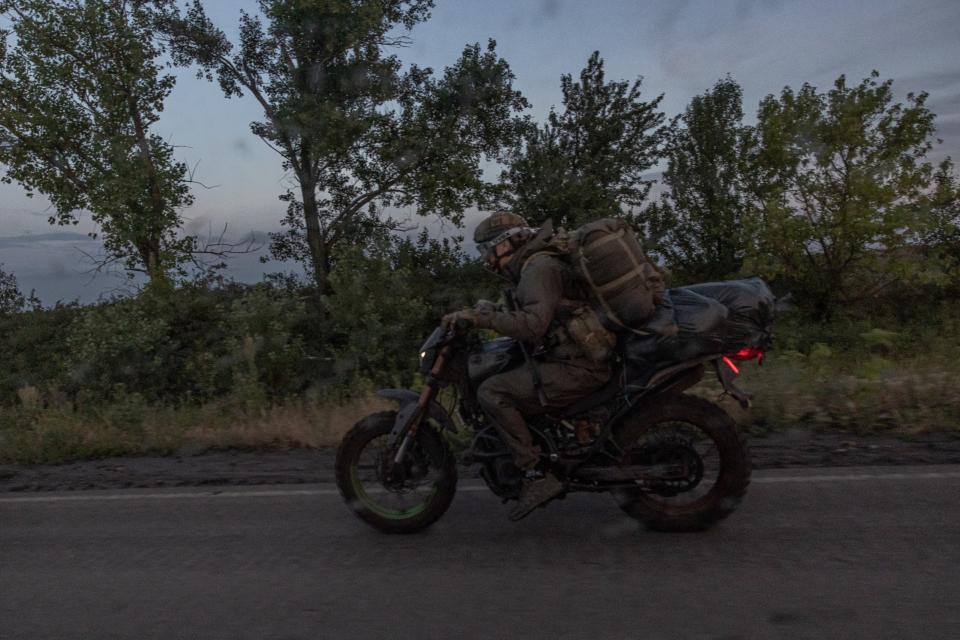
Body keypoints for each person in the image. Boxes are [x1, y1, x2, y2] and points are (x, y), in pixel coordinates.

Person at [442, 210, 613, 521]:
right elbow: (541, 313)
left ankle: (536, 475)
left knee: (493, 392)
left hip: (578, 366)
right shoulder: (533, 265)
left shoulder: (539, 267)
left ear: (505, 244)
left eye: (487, 250)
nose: (487, 258)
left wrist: (482, 318)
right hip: (571, 357)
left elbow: (534, 326)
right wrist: (491, 311)